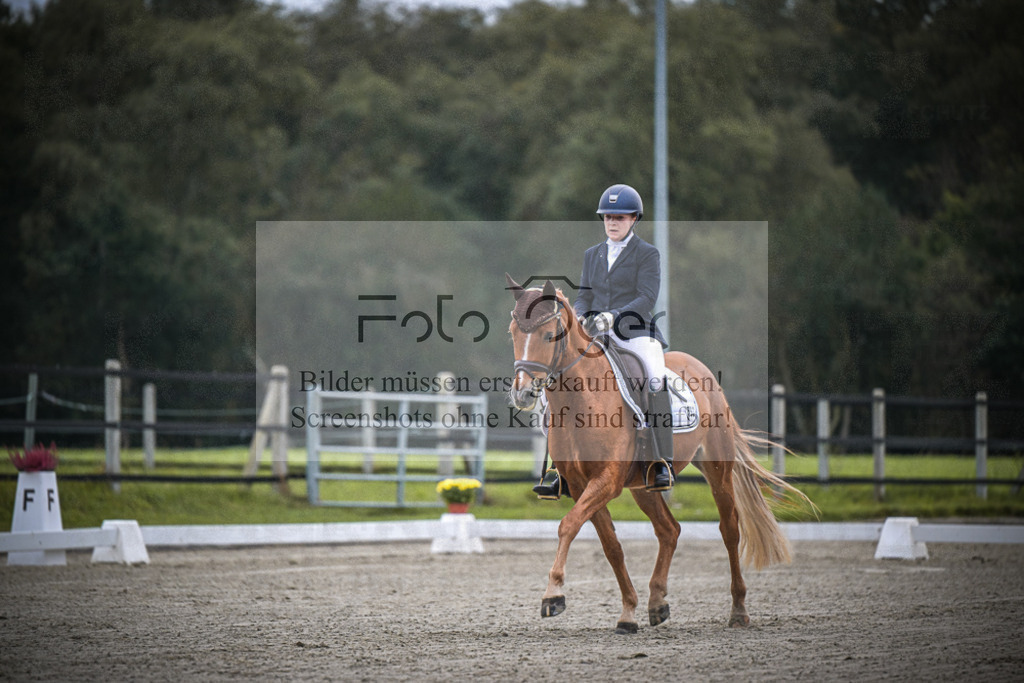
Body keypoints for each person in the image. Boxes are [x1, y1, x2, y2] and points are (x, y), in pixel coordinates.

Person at [533, 183, 674, 498]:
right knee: (553, 387)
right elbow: (583, 295)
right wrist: (581, 316)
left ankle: (659, 461)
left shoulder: (647, 253)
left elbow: (647, 297)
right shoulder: (592, 254)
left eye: (620, 217)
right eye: (608, 216)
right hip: (595, 331)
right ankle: (559, 468)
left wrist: (615, 315)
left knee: (654, 377)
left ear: (634, 219)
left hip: (635, 331)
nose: (613, 222)